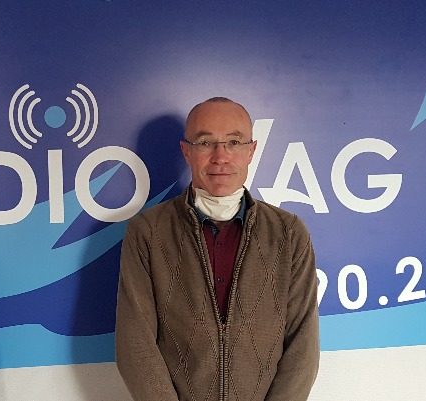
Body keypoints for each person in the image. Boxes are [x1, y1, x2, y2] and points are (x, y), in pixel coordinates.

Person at [115, 97, 319, 400]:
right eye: (205, 143)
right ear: (186, 151)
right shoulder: (148, 232)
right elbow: (136, 345)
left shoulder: (288, 233)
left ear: (251, 151)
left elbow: (303, 346)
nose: (221, 157)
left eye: (234, 142)